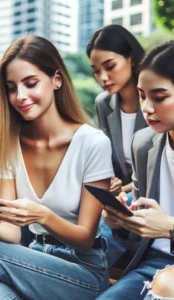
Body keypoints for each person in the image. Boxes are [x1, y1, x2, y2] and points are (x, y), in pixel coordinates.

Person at [0, 35, 114, 300]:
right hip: (32, 261)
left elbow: (85, 238)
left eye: (30, 83)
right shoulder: (9, 143)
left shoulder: (92, 143)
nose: (20, 96)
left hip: (82, 273)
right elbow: (10, 232)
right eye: (11, 88)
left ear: (56, 79)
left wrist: (41, 215)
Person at [96, 41, 174, 300]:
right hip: (153, 263)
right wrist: (120, 223)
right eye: (142, 95)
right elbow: (140, 232)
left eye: (159, 97)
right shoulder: (144, 143)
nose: (147, 108)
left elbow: (164, 227)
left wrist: (170, 228)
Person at [87, 24, 147, 268]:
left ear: (131, 59)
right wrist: (109, 182)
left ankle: (85, 270)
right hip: (121, 192)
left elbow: (154, 169)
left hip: (148, 190)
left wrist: (122, 188)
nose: (103, 78)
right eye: (96, 71)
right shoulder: (104, 103)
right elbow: (107, 161)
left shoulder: (159, 103)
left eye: (110, 67)